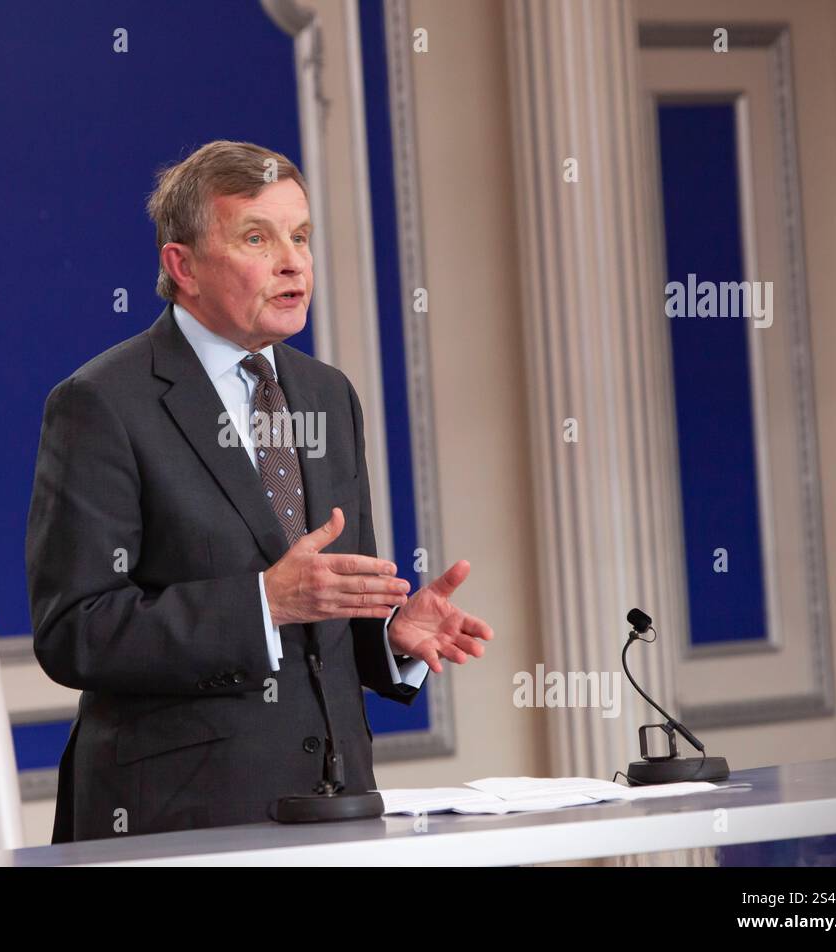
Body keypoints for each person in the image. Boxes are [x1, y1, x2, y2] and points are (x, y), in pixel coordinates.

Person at [25, 140, 493, 842]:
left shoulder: (327, 395)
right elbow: (75, 634)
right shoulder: (102, 403)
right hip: (177, 822)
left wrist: (388, 637)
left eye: (300, 236)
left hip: (335, 809)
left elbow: (319, 608)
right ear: (181, 265)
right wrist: (261, 603)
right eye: (257, 237)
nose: (293, 261)